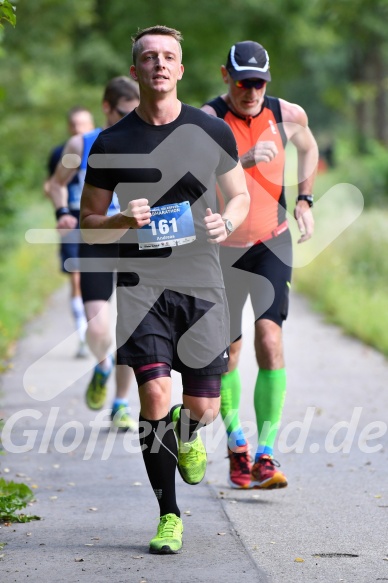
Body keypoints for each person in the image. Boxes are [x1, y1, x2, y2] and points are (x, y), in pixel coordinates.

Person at [80, 26, 250, 554]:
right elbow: (87, 221)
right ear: (135, 71)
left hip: (201, 279)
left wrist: (228, 222)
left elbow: (239, 194)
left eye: (168, 57)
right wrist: (119, 220)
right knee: (153, 392)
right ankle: (169, 514)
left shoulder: (210, 131)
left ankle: (190, 431)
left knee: (201, 406)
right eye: (148, 57)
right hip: (141, 282)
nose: (158, 64)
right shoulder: (112, 142)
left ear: (180, 69)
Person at [202, 41, 318, 490]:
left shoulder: (287, 114)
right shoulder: (208, 120)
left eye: (259, 83)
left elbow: (308, 150)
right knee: (230, 352)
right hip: (223, 249)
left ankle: (266, 453)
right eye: (242, 82)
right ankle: (237, 446)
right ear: (225, 76)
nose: (251, 91)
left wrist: (304, 199)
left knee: (270, 339)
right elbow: (189, 177)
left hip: (270, 240)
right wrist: (242, 162)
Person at [45, 77, 140, 431]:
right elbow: (55, 184)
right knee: (99, 328)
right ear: (106, 107)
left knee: (131, 330)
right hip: (96, 239)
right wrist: (61, 212)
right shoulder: (81, 144)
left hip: (133, 242)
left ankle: (120, 404)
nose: (130, 119)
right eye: (122, 113)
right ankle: (102, 364)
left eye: (135, 112)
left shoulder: (143, 140)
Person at [44, 106, 95, 358]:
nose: (79, 129)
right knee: (76, 276)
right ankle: (82, 334)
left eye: (83, 124)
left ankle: (100, 329)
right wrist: (60, 208)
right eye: (74, 124)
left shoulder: (100, 145)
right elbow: (51, 184)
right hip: (71, 219)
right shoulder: (59, 153)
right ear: (69, 127)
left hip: (97, 218)